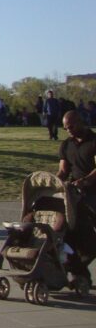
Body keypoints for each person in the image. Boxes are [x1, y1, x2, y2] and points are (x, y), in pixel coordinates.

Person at [58, 111, 96, 283]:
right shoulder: (66, 145)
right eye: (66, 128)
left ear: (81, 121)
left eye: (71, 126)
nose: (69, 131)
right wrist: (54, 182)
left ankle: (79, 270)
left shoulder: (93, 142)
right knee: (72, 234)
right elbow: (63, 171)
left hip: (92, 192)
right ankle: (80, 273)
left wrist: (85, 181)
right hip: (75, 194)